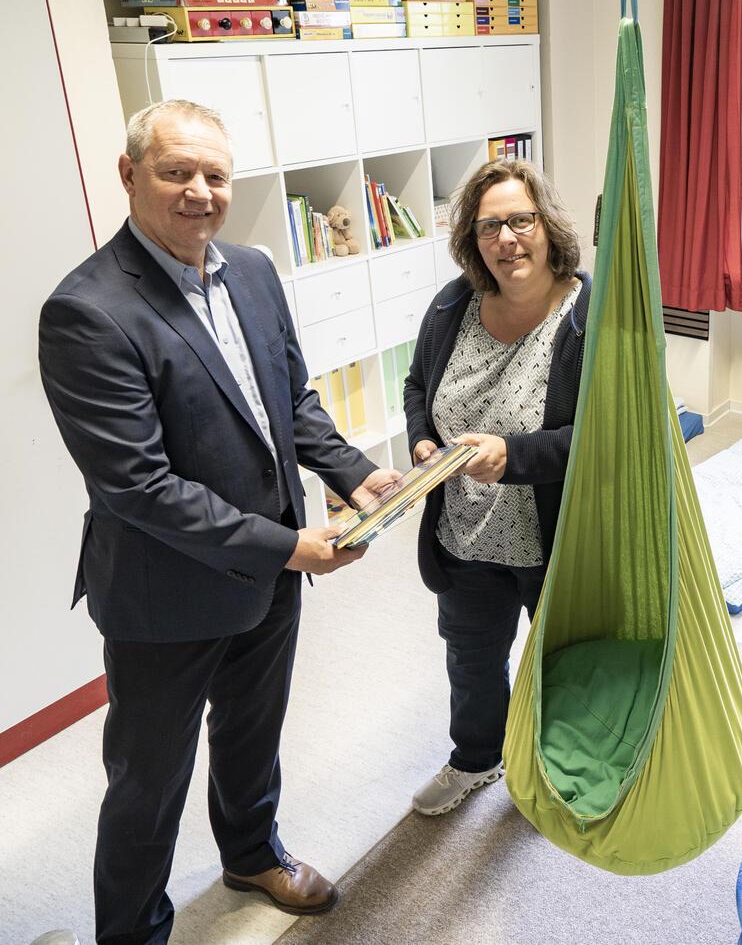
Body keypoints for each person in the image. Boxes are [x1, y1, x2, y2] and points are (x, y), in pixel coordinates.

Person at [37, 99, 401, 945]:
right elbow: (139, 486)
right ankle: (132, 931)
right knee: (149, 777)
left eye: (215, 175)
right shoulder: (87, 310)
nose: (200, 192)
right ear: (130, 175)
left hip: (270, 570)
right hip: (164, 592)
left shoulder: (254, 271)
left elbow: (290, 400)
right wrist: (290, 547)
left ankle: (251, 851)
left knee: (252, 727)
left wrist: (353, 471)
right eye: (177, 172)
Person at [403, 159, 588, 815]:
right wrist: (423, 439)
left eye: (520, 220)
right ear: (472, 239)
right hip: (463, 531)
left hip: (552, 537)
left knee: (561, 665)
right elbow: (417, 386)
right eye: (489, 227)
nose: (506, 239)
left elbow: (608, 436)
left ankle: (560, 771)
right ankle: (477, 757)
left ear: (548, 225)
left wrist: (513, 455)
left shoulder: (589, 316)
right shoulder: (452, 305)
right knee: (471, 658)